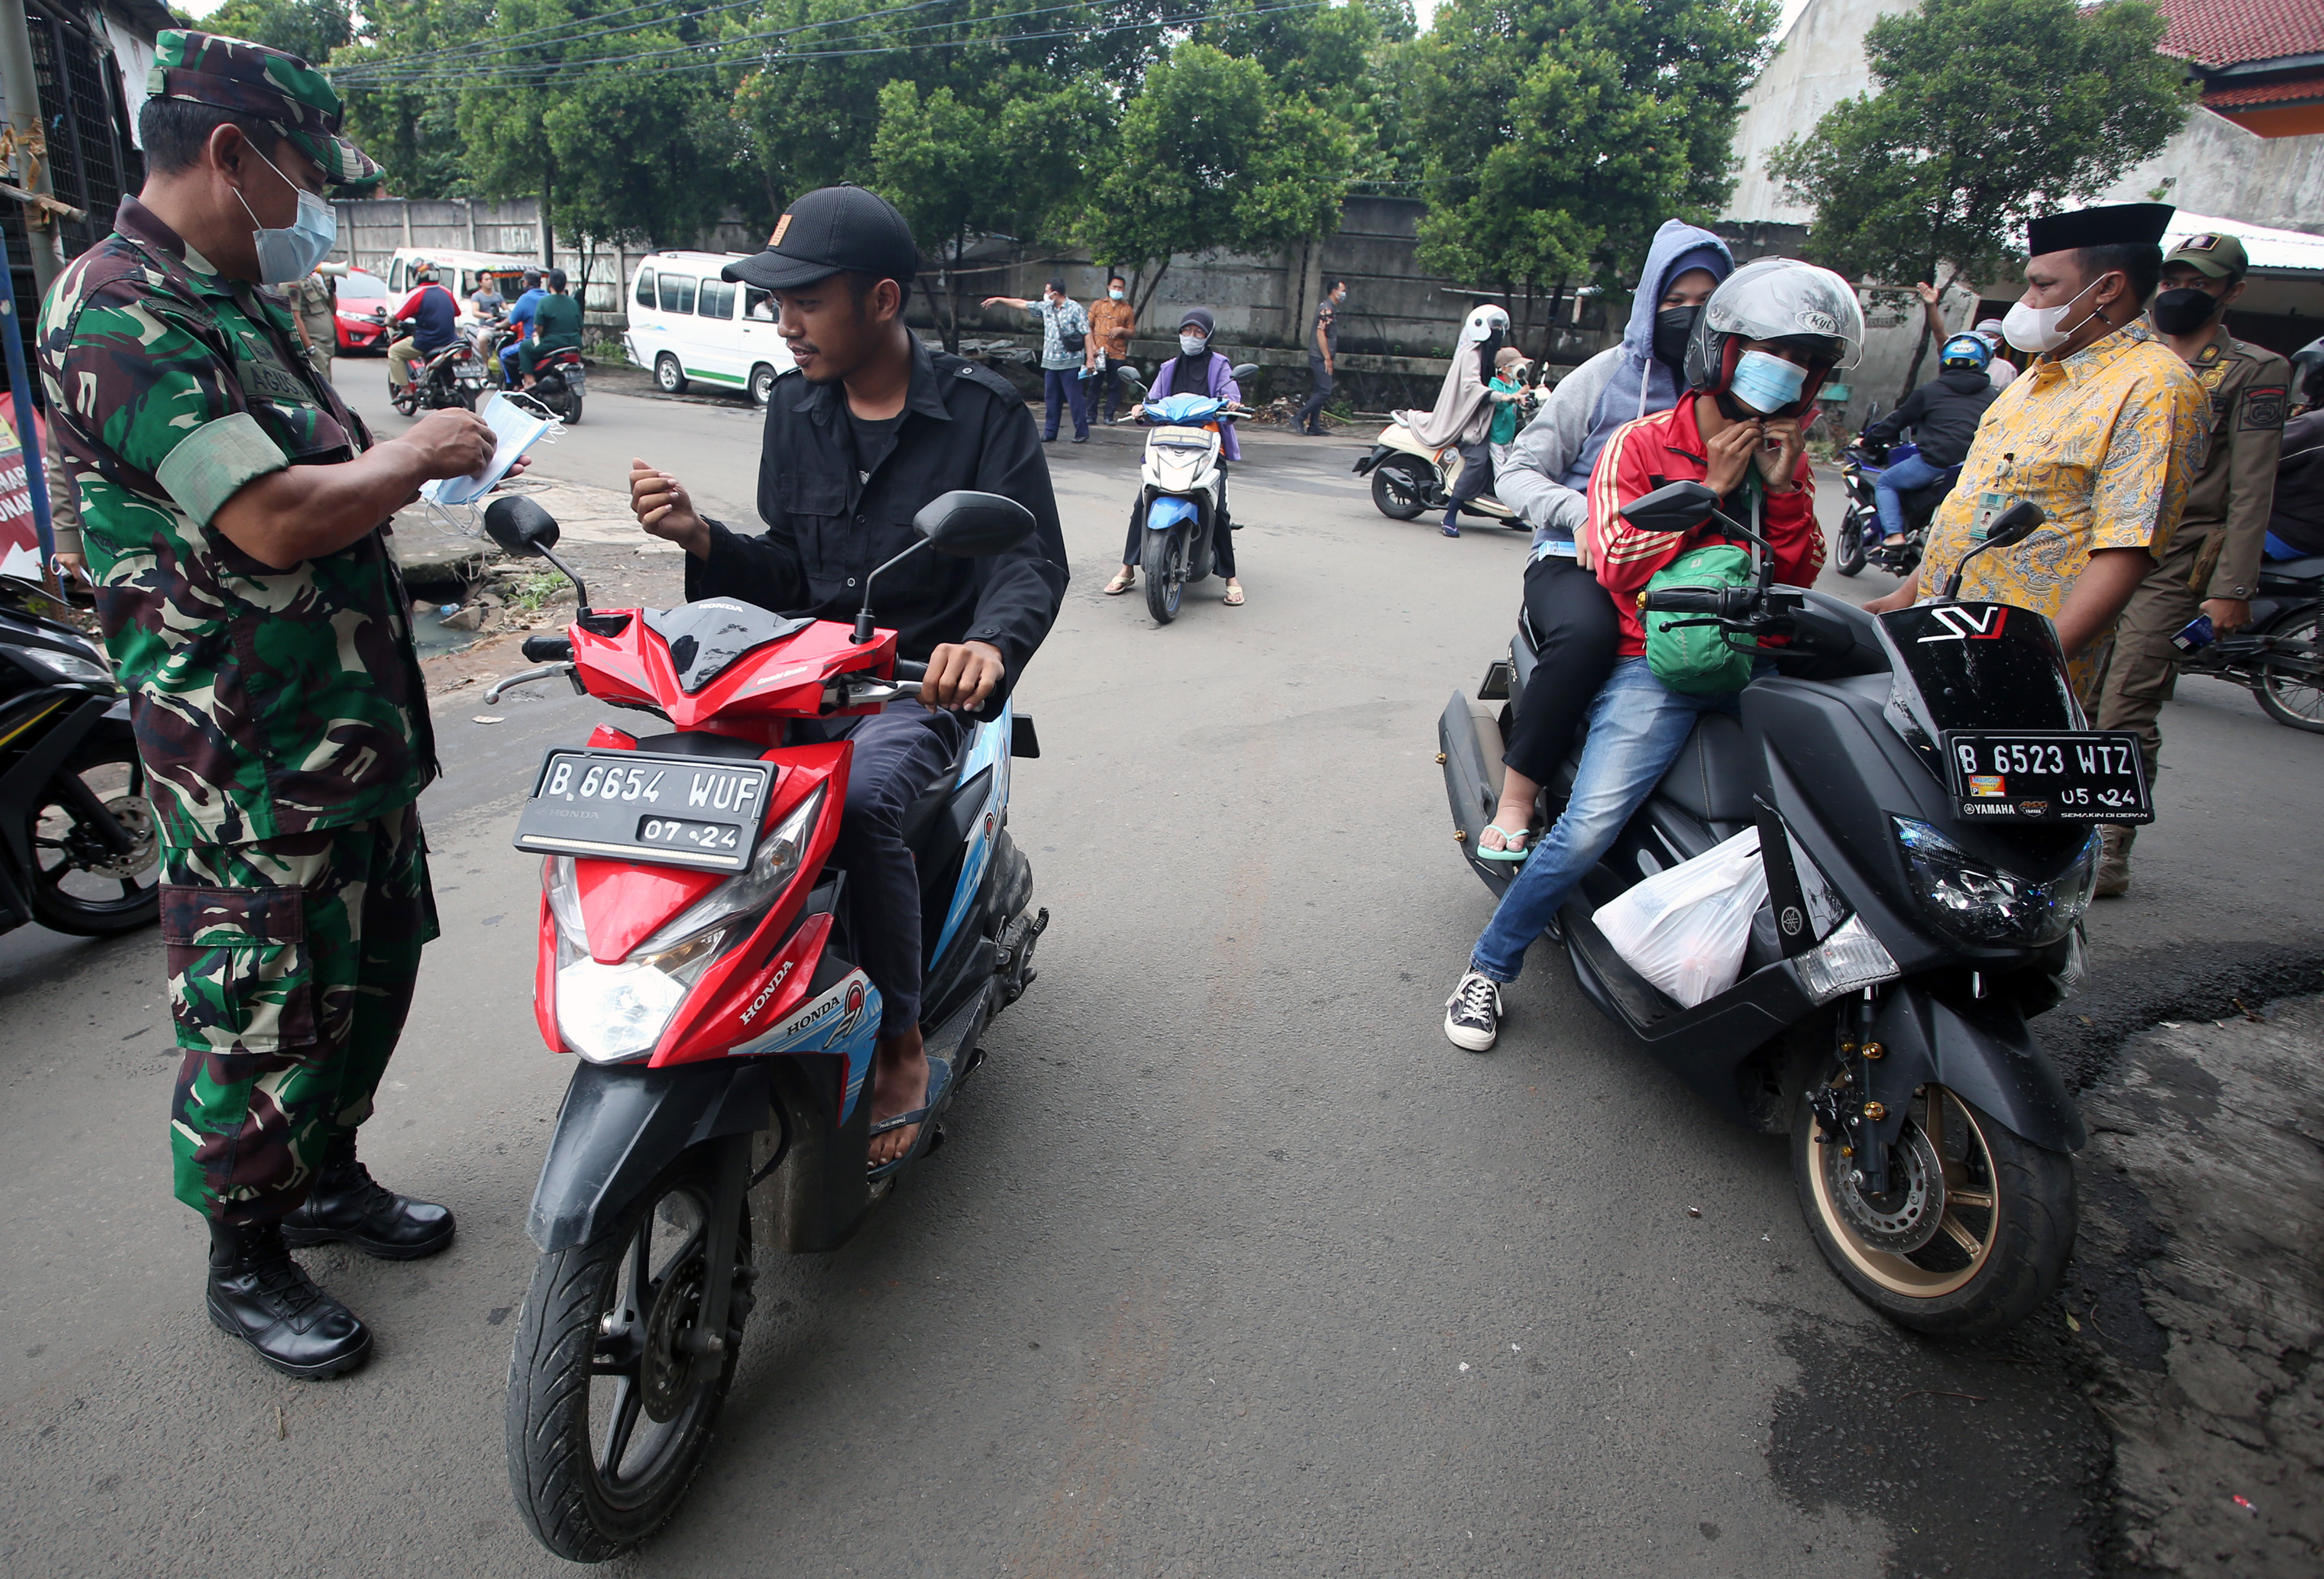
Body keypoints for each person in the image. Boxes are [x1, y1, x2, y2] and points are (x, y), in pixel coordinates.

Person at [37, 30, 504, 1379]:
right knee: (262, 1011)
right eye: (308, 171)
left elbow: (329, 484)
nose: (320, 207)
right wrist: (414, 455)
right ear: (232, 156)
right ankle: (245, 1254)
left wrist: (402, 475)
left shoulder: (236, 299)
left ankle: (328, 1176)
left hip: (342, 739)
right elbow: (275, 517)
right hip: (243, 762)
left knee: (365, 976)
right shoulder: (117, 306)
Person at [628, 184, 1067, 1171]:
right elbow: (789, 567)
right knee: (696, 780)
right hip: (798, 677)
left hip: (914, 689)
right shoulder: (794, 406)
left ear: (879, 300)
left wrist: (987, 648)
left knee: (860, 799)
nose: (784, 323)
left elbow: (1028, 563)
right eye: (777, 302)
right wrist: (702, 537)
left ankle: (903, 1038)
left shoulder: (983, 416)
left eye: (806, 301)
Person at [1442, 257, 1856, 1051]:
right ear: (1726, 352)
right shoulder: (1640, 442)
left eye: (1809, 363)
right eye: (1779, 353)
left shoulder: (1789, 457)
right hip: (1656, 663)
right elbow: (1615, 562)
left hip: (1751, 661)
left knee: (1823, 805)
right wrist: (1713, 484)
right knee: (1592, 823)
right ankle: (1489, 968)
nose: (1792, 374)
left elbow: (1799, 571)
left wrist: (1784, 490)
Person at [1864, 204, 2207, 705]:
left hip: (2019, 665)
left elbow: (2127, 549)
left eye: (2042, 286)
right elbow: (1978, 505)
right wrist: (1909, 595)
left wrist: (2035, 665)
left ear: (2108, 288)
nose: (2026, 302)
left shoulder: (2155, 387)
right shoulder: (2034, 379)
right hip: (1942, 642)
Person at [1485, 220, 1733, 858]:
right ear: (1650, 303)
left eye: (1705, 303)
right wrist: (1581, 516)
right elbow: (1516, 470)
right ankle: (1517, 797)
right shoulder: (1603, 377)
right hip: (1577, 559)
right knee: (1588, 640)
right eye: (1674, 302)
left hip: (1686, 567)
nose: (1689, 316)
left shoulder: (1735, 394)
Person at [2090, 231, 2290, 895]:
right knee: (2077, 693)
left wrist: (2231, 587)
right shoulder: (2126, 353)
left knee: (2126, 700)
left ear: (2231, 291)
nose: (2182, 291)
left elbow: (2251, 486)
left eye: (2200, 282)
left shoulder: (2250, 371)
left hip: (2176, 558)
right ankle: (2062, 828)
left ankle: (2109, 847)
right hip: (2101, 545)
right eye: (2174, 277)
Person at [1103, 306, 1246, 605]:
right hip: (1168, 443)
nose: (1191, 337)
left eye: (1198, 332)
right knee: (1143, 500)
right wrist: (1140, 409)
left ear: (1208, 336)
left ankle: (1231, 578)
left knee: (1217, 509)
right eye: (1186, 331)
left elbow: (1231, 394)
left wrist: (1232, 405)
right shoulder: (1169, 368)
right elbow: (1152, 400)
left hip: (1207, 443)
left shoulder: (1219, 365)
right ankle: (1128, 568)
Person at [1857, 333, 1999, 546]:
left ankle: (1895, 534)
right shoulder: (1994, 396)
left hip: (1934, 463)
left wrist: (1867, 440)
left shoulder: (1930, 391)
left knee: (1886, 482)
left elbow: (1896, 422)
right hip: (1974, 469)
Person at [1400, 303, 1511, 536]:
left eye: (1501, 328)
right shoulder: (1471, 355)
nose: (1499, 332)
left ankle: (1508, 512)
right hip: (1463, 422)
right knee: (1479, 460)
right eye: (1495, 327)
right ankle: (1451, 514)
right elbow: (1471, 388)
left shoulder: (1492, 356)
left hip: (1483, 419)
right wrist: (1499, 396)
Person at [982, 278, 1093, 443]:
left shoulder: (1075, 309)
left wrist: (1090, 359)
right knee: (1051, 398)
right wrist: (999, 300)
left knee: (1074, 399)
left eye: (1048, 291)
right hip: (1050, 362)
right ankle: (1050, 431)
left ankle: (1082, 431)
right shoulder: (1046, 307)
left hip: (1071, 362)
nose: (1045, 294)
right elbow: (1022, 304)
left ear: (1056, 293)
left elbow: (1087, 333)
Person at [386, 257, 458, 395]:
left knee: (394, 352)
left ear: (416, 275)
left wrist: (388, 322)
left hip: (427, 342)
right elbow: (456, 312)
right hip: (451, 341)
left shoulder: (417, 293)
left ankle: (405, 390)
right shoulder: (446, 291)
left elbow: (395, 317)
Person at [518, 266, 583, 388]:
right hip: (575, 343)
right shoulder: (573, 303)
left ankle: (530, 381)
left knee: (525, 347)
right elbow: (580, 325)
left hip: (553, 344)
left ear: (549, 284)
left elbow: (538, 327)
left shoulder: (545, 302)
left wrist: (538, 335)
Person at [1298, 278, 1347, 436]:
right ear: (1334, 291)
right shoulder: (1327, 310)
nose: (1344, 294)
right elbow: (1321, 334)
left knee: (1320, 389)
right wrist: (1327, 358)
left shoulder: (1327, 308)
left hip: (1319, 355)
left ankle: (1314, 425)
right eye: (1342, 291)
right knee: (1325, 390)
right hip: (1320, 356)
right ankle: (1300, 417)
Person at [1088, 274, 1136, 424]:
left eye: (1120, 288)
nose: (1117, 290)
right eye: (1114, 287)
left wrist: (1122, 330)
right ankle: (1090, 416)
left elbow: (1132, 333)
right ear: (1109, 287)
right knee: (1094, 385)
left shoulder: (1127, 310)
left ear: (1124, 290)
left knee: (1115, 386)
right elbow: (1088, 327)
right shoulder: (1097, 305)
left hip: (1117, 353)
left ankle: (1109, 416)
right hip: (1099, 352)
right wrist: (1093, 347)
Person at [289, 261, 336, 383]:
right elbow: (294, 316)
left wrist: (331, 291)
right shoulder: (293, 283)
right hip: (315, 343)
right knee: (322, 386)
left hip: (327, 345)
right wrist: (309, 346)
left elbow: (332, 309)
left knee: (327, 383)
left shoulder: (314, 281)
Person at [1485, 346, 1530, 475]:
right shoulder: (1495, 384)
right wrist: (1517, 395)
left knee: (1511, 465)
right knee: (1500, 466)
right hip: (1497, 434)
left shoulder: (1516, 384)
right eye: (1515, 365)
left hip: (1509, 434)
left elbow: (1522, 403)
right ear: (1504, 368)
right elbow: (1498, 405)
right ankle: (1500, 492)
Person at [499, 266, 544, 386]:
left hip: (531, 343)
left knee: (504, 354)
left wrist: (498, 325)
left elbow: (512, 321)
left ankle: (515, 387)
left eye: (524, 281)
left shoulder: (525, 298)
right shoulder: (548, 297)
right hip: (549, 342)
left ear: (527, 283)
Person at [1971, 318, 2021, 387]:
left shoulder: (2006, 368)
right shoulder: (1962, 361)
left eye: (1989, 336)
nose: (1984, 339)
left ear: (1999, 342)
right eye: (1980, 336)